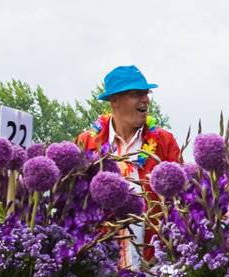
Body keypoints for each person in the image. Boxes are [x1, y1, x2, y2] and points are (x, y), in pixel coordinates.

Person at [75, 64, 184, 264]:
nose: (145, 99)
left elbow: (182, 199)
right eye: (136, 94)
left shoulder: (164, 142)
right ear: (114, 100)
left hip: (154, 263)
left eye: (146, 93)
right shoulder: (87, 143)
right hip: (103, 263)